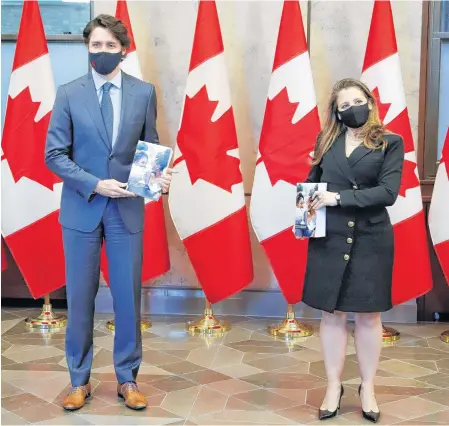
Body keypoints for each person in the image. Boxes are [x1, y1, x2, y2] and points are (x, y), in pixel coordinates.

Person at [45, 15, 173, 411]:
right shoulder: (69, 93)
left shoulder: (144, 93)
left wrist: (157, 179)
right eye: (95, 46)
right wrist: (94, 183)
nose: (101, 52)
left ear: (123, 49)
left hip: (127, 212)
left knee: (127, 299)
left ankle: (128, 378)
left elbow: (148, 148)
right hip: (82, 210)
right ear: (88, 49)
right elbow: (54, 155)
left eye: (109, 46)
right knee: (80, 299)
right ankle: (78, 380)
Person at [302, 78, 404, 423]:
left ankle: (368, 386)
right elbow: (313, 186)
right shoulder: (326, 140)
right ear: (336, 112)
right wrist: (306, 213)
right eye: (343, 106)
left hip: (371, 238)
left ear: (370, 102)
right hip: (329, 236)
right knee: (331, 315)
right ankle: (333, 386)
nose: (352, 109)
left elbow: (387, 193)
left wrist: (339, 198)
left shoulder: (390, 142)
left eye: (357, 101)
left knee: (369, 316)